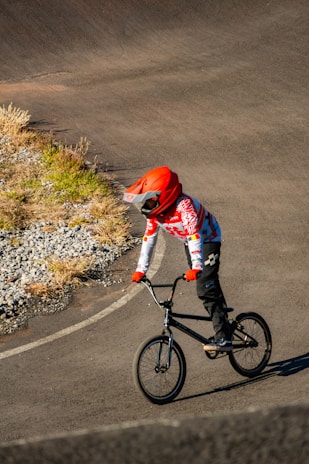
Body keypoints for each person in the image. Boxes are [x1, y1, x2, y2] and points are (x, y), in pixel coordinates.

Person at [123, 166, 232, 351]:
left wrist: (197, 266)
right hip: (190, 243)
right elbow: (149, 240)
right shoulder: (155, 215)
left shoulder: (184, 206)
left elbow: (194, 235)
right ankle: (222, 315)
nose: (147, 205)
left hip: (207, 239)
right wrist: (141, 270)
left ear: (164, 197)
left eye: (150, 201)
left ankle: (224, 337)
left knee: (205, 286)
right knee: (208, 285)